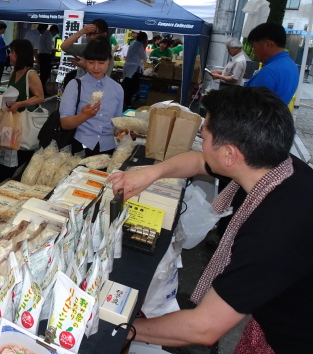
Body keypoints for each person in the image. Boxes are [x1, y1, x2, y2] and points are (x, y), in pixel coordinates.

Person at [109, 86, 313, 352]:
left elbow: (204, 327)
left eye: (203, 134)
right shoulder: (276, 167)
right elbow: (197, 161)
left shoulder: (273, 233)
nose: (200, 141)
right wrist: (151, 173)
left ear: (229, 155)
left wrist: (124, 328)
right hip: (276, 310)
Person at [60, 36, 123, 155]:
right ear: (85, 61)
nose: (96, 67)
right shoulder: (75, 85)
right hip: (81, 146)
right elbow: (65, 123)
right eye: (91, 62)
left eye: (101, 62)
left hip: (108, 148)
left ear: (109, 61)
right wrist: (84, 116)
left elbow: (116, 125)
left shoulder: (117, 89)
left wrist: (124, 131)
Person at [0, 39, 45, 183]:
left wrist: (20, 103)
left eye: (12, 52)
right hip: (10, 125)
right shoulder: (13, 73)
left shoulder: (31, 74)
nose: (9, 55)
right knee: (4, 163)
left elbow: (40, 97)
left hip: (22, 125)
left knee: (15, 165)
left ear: (20, 55)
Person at [244, 22, 298, 105]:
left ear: (267, 44)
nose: (253, 52)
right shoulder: (292, 66)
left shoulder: (269, 71)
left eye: (254, 46)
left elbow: (248, 105)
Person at [121, 31, 148, 110]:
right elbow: (143, 57)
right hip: (134, 69)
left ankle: (126, 102)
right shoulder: (139, 45)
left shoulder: (133, 43)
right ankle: (127, 103)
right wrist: (145, 47)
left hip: (128, 67)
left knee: (127, 85)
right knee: (133, 87)